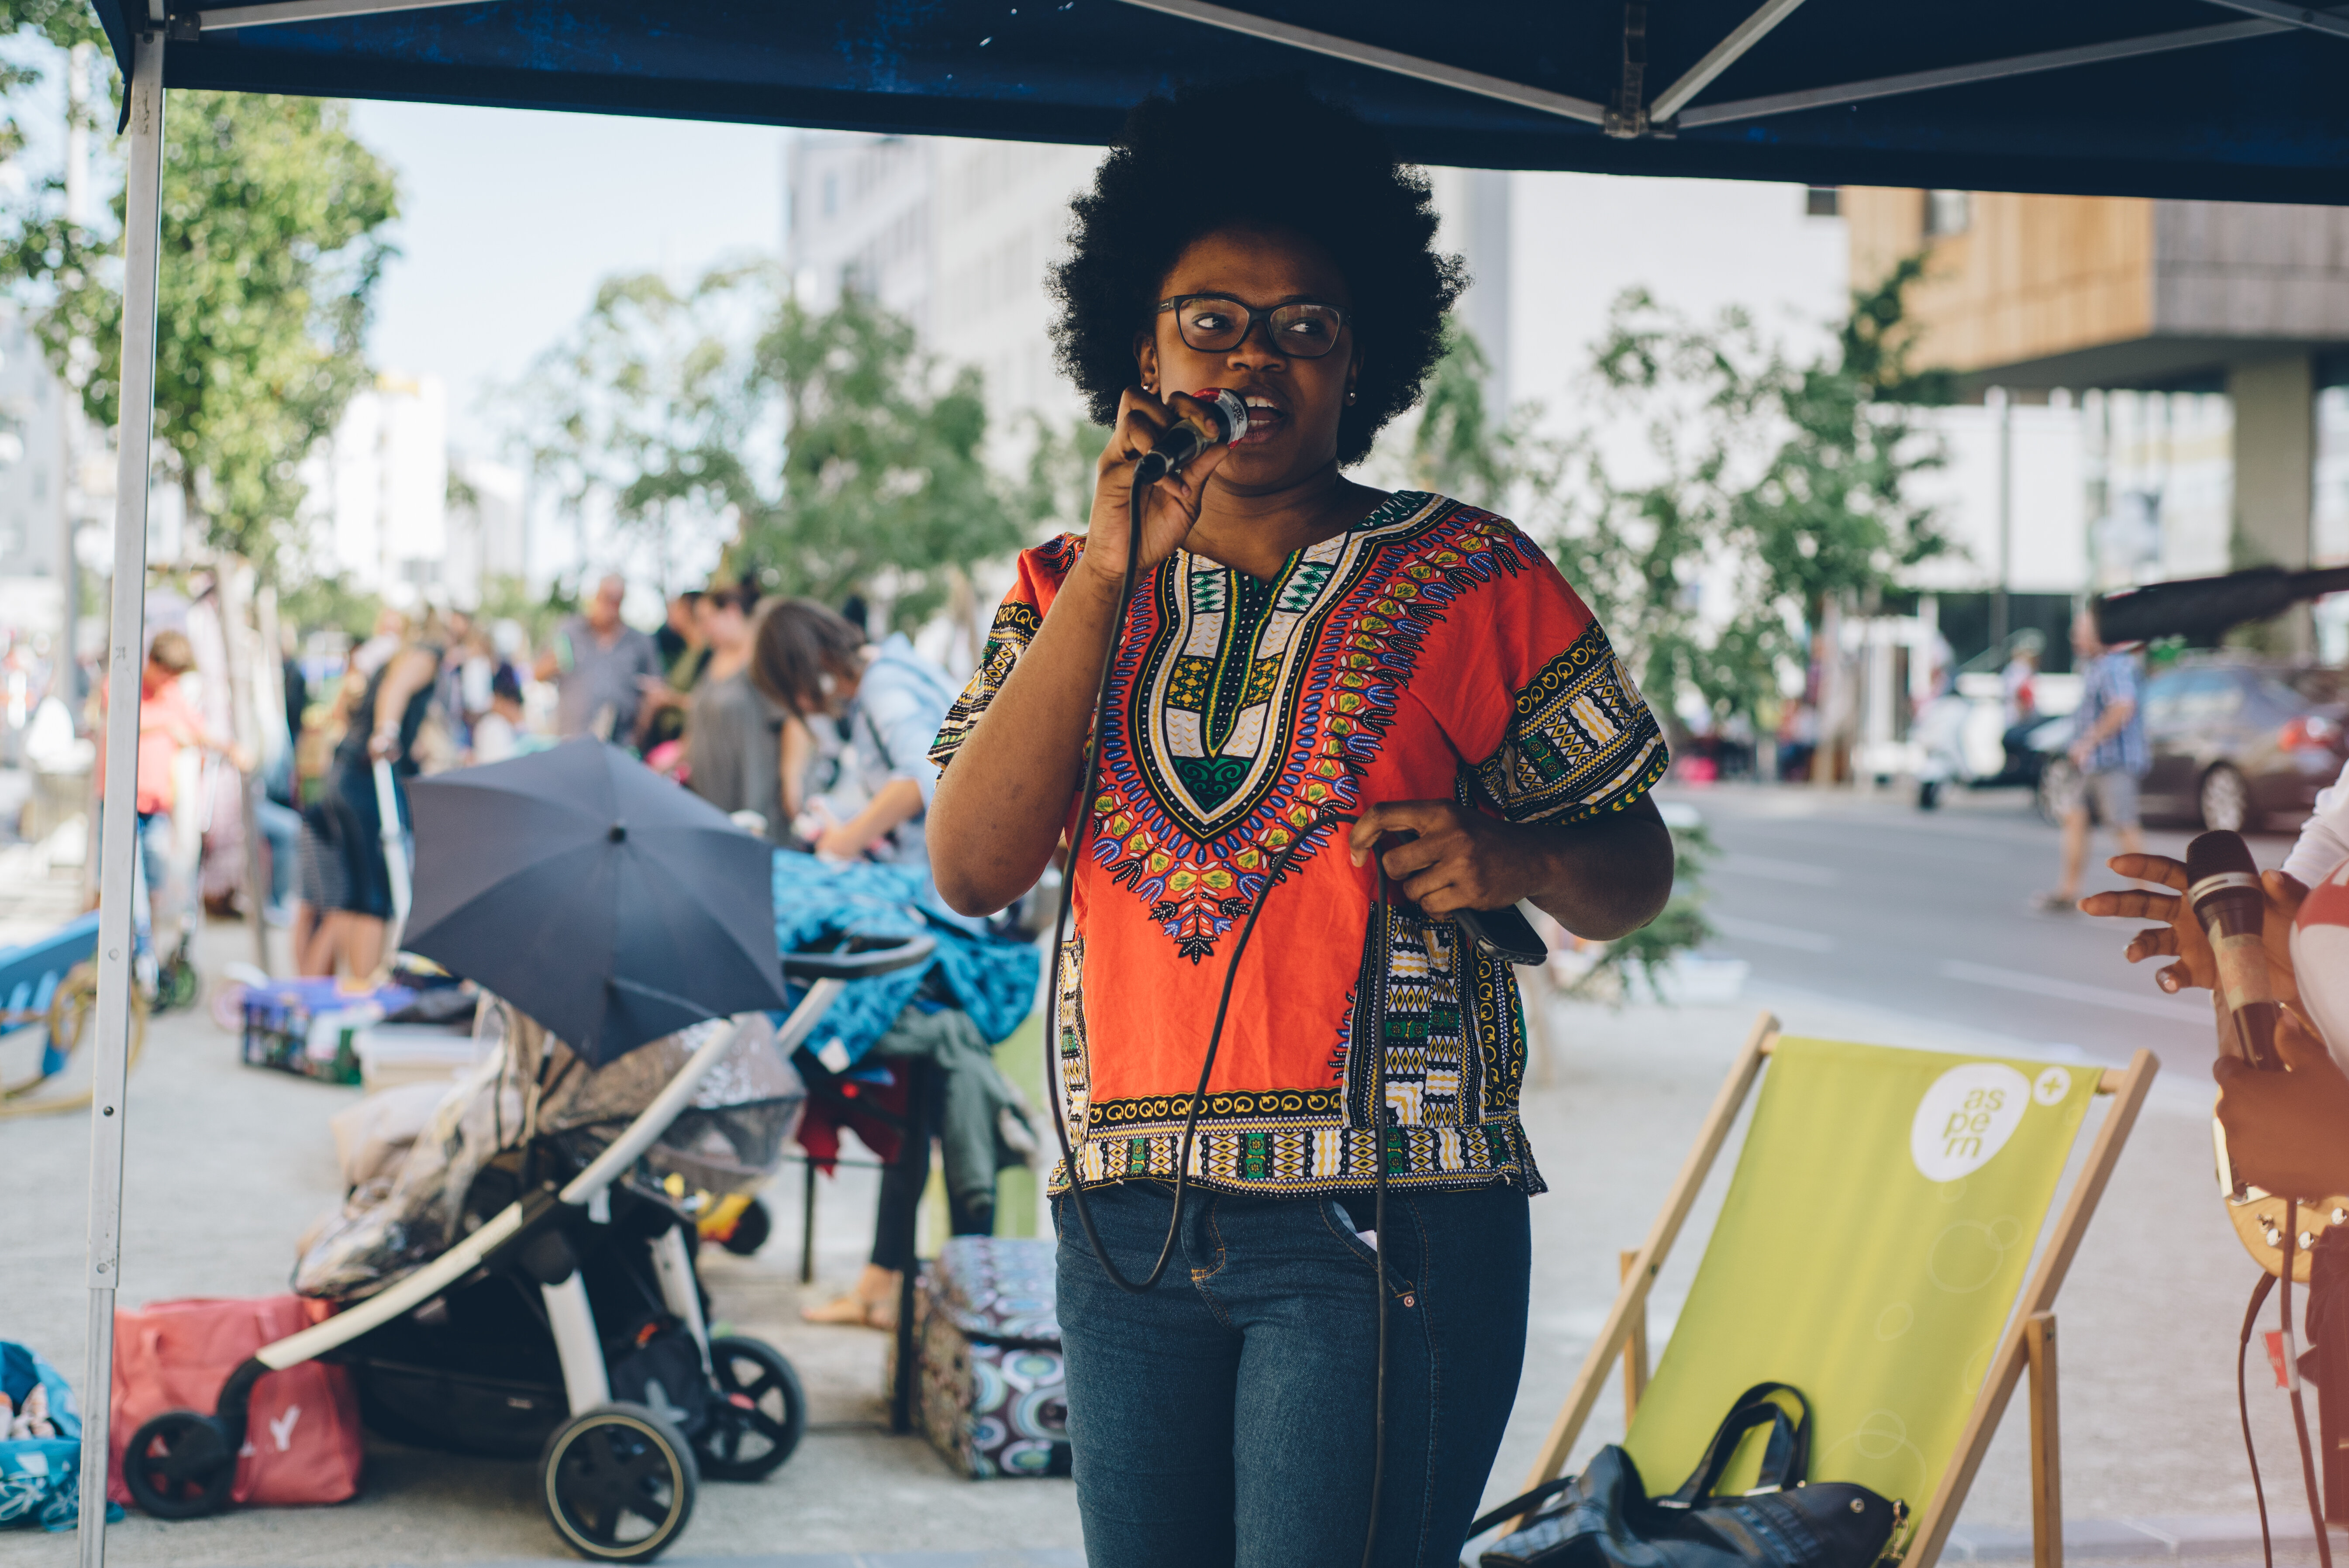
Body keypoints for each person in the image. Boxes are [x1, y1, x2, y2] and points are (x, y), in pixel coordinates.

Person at [923, 85, 1674, 1568]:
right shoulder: (1061, 583)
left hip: (1383, 1231)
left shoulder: (1468, 576)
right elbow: (970, 864)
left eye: (1303, 327)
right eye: (1211, 320)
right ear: (1138, 351)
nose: (1254, 357)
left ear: (1358, 363)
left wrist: (1515, 857)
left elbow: (1631, 869)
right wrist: (1107, 576)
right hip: (1121, 1228)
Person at [752, 600, 961, 864]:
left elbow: (924, 772)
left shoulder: (882, 685)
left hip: (950, 880)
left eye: (793, 693)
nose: (802, 707)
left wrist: (847, 840)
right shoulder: (889, 667)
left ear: (812, 666)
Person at [303, 619, 442, 981]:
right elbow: (395, 691)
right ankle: (364, 989)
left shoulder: (392, 657)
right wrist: (388, 733)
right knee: (374, 895)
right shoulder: (428, 654)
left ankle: (353, 986)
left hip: (345, 775)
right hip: (367, 781)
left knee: (354, 894)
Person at [106, 630, 251, 948]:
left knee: (154, 893)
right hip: (120, 806)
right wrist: (169, 726)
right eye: (167, 672)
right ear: (153, 662)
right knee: (126, 896)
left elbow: (199, 729)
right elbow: (119, 718)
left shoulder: (171, 694)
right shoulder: (123, 683)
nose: (169, 680)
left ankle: (146, 963)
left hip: (156, 808)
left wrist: (230, 748)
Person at [2037, 608, 2147, 912]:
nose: (2074, 637)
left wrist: (2089, 740)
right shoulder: (2096, 666)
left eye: (2081, 631)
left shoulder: (2114, 665)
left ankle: (2142, 897)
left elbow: (2123, 706)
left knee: (2123, 824)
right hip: (2091, 762)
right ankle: (2069, 890)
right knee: (2074, 819)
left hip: (2114, 761)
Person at [683, 585, 786, 836]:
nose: (704, 628)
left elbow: (790, 722)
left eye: (708, 619)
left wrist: (791, 785)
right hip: (709, 794)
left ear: (731, 612)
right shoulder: (713, 660)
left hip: (750, 792)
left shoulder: (762, 659)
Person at [535, 574, 661, 745]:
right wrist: (550, 666)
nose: (611, 605)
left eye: (617, 599)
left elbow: (656, 689)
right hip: (572, 741)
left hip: (621, 745)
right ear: (595, 597)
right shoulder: (569, 632)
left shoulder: (640, 641)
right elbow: (538, 673)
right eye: (607, 597)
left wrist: (641, 731)